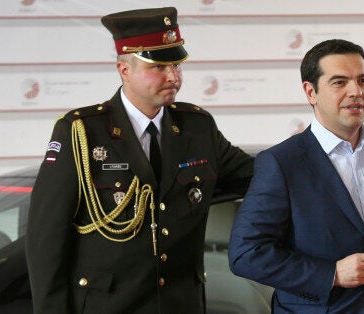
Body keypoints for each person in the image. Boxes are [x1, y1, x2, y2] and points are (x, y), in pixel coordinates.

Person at [25, 7, 253, 314]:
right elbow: (46, 239)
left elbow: (257, 176)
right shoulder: (81, 132)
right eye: (159, 67)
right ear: (124, 69)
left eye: (176, 65)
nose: (173, 76)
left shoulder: (197, 127)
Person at [228, 39, 364, 314]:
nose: (356, 91)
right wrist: (333, 273)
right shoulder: (282, 163)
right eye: (340, 82)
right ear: (311, 92)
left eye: (363, 81)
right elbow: (246, 254)